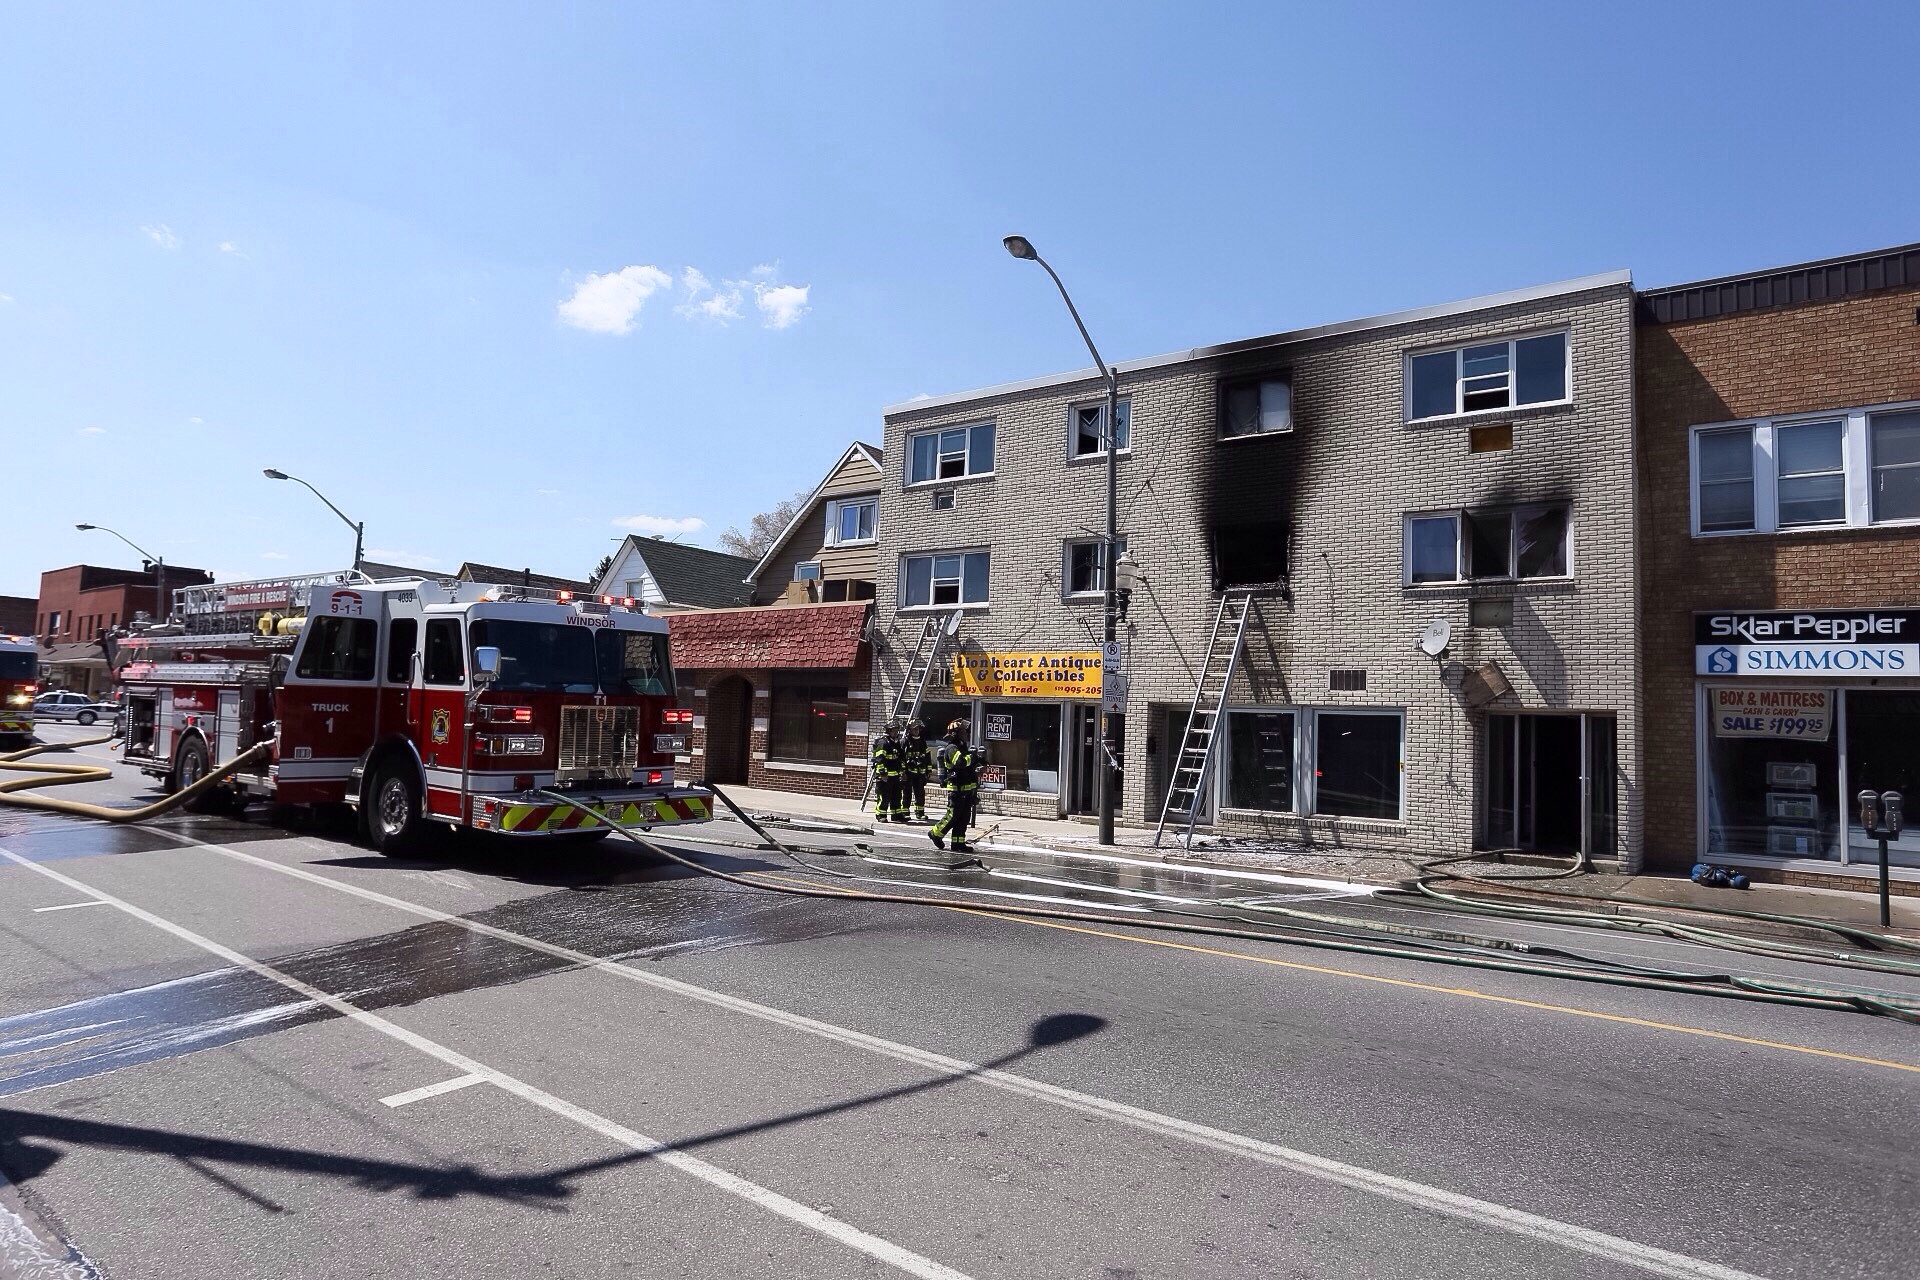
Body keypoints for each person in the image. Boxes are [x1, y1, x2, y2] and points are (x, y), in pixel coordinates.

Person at [929, 717, 983, 852]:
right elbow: (960, 763)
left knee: (964, 818)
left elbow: (970, 766)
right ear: (955, 734)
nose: (966, 734)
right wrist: (973, 757)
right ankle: (935, 833)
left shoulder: (963, 747)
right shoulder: (952, 748)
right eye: (963, 732)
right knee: (953, 816)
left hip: (967, 789)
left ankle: (958, 843)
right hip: (957, 790)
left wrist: (980, 762)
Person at [870, 719, 907, 822]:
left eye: (896, 730)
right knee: (884, 796)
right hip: (885, 777)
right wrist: (882, 774)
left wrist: (903, 771)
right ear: (888, 731)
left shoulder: (897, 743)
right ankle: (881, 815)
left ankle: (896, 815)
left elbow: (901, 758)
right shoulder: (883, 743)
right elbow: (880, 760)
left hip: (895, 776)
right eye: (893, 730)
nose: (895, 732)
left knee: (897, 796)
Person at [902, 719, 933, 823]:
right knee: (907, 793)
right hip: (909, 773)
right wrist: (903, 772)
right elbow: (902, 758)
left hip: (920, 773)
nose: (916, 730)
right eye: (914, 729)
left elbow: (927, 757)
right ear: (910, 730)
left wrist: (928, 770)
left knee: (920, 793)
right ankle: (905, 812)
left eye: (918, 728)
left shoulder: (922, 742)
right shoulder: (905, 741)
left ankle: (920, 813)